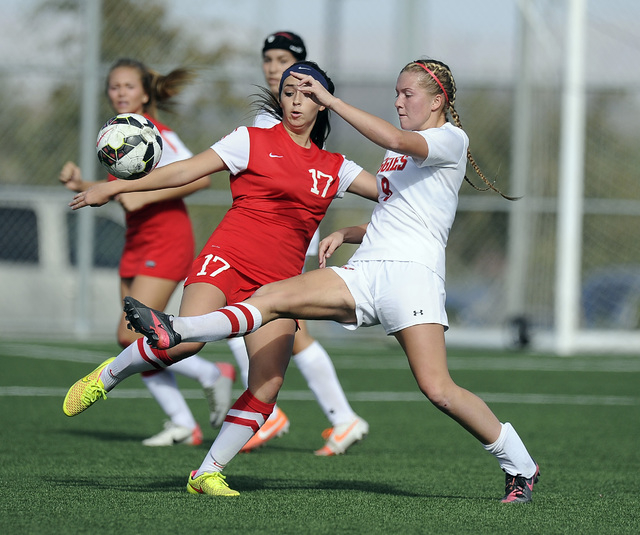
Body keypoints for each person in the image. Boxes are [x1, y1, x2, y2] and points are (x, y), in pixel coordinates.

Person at [122, 58, 540, 503]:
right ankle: (180, 334)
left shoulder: (449, 139)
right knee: (272, 297)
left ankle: (521, 467)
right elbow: (400, 213)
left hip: (412, 279)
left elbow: (398, 144)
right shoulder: (399, 153)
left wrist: (332, 101)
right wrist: (348, 232)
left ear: (438, 101)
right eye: (395, 93)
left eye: (407, 94)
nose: (398, 101)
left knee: (437, 389)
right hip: (367, 270)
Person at [63, 61, 379, 495]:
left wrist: (349, 231)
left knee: (267, 385)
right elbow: (186, 170)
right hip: (226, 259)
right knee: (185, 340)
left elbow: (394, 197)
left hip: (280, 286)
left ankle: (207, 472)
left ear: (324, 103)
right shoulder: (249, 140)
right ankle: (109, 376)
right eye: (289, 92)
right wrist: (115, 187)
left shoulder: (336, 166)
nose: (296, 101)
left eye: (308, 93)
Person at [60, 58, 236, 446]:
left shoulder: (155, 133)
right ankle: (181, 422)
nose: (119, 93)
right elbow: (122, 192)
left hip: (166, 239)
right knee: (131, 337)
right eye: (113, 87)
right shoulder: (119, 134)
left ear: (144, 92)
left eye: (127, 86)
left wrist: (146, 195)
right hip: (137, 241)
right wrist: (82, 183)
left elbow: (202, 177)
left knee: (130, 333)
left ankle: (210, 375)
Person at [232, 31, 368, 455]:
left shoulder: (295, 113)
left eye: (283, 60)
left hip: (285, 235)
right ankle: (328, 418)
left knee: (276, 324)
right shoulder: (271, 114)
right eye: (268, 59)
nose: (272, 66)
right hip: (263, 233)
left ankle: (328, 418)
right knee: (263, 322)